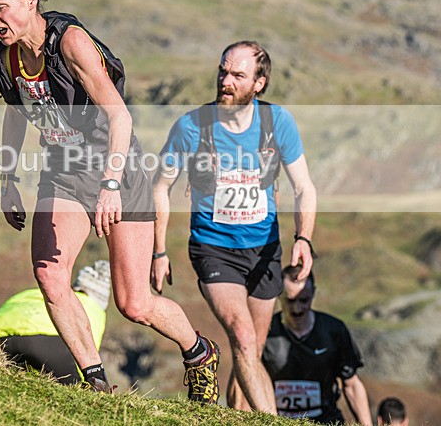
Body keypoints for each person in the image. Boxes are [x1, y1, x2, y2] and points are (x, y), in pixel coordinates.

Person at [0, 0, 220, 401]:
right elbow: (16, 114)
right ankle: (97, 385)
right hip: (62, 174)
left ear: (30, 1)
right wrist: (7, 178)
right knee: (50, 277)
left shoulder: (71, 43)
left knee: (134, 304)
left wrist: (110, 185)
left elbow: (119, 116)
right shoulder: (7, 59)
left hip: (118, 170)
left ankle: (199, 353)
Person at [152, 40, 317, 413]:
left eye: (238, 75)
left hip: (264, 249)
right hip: (214, 248)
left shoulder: (278, 123)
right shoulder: (192, 127)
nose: (225, 81)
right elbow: (160, 187)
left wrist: (303, 238)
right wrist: (158, 250)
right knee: (241, 337)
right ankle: (273, 421)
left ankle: (238, 417)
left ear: (259, 83)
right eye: (222, 71)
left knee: (252, 349)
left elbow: (304, 187)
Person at [262, 266, 372, 424]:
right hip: (277, 421)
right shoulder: (264, 331)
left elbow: (352, 384)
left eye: (303, 300)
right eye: (290, 301)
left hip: (325, 420)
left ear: (313, 292)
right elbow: (246, 376)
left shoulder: (334, 330)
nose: (297, 309)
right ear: (279, 294)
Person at [0, 261, 111, 385]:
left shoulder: (39, 293)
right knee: (75, 391)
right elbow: (86, 351)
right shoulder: (95, 311)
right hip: (50, 347)